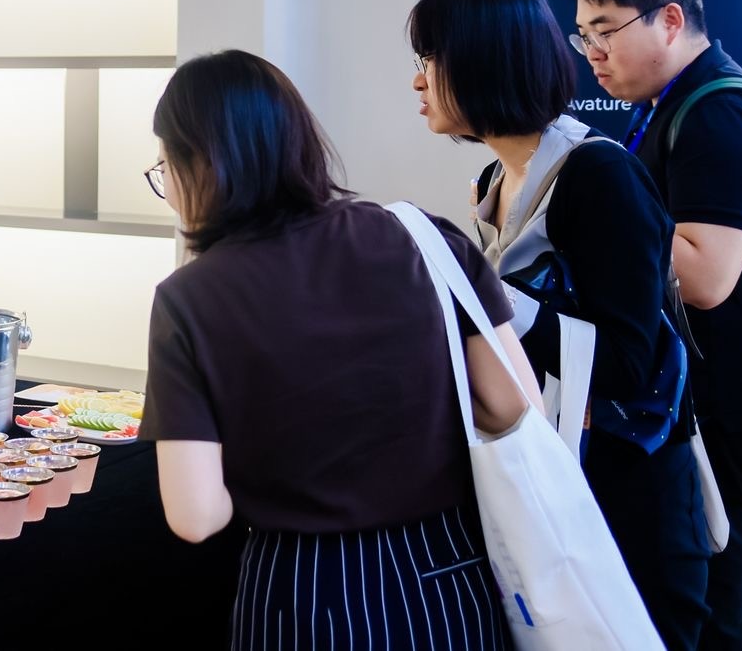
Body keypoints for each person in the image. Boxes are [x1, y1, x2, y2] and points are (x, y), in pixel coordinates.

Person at [140, 49, 542, 650]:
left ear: (198, 165)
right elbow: (515, 404)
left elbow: (197, 517)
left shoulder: (188, 299)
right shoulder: (423, 236)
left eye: (164, 168)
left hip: (302, 589)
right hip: (447, 573)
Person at [410, 0, 711, 648]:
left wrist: (488, 296)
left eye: (429, 58)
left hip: (629, 504)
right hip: (552, 487)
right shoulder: (495, 178)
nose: (418, 80)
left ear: (484, 59)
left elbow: (630, 364)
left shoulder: (597, 175)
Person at [560, 0, 742, 650]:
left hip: (722, 411)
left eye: (606, 29)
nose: (593, 51)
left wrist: (605, 211)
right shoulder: (679, 106)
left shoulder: (718, 116)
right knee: (729, 611)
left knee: (715, 619)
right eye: (583, 35)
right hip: (704, 405)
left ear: (670, 19)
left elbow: (704, 275)